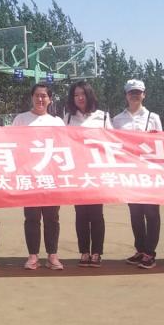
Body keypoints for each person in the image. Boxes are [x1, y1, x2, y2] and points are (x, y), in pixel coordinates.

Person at [12, 84, 66, 270]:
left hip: (51, 177)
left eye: (44, 96)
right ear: (32, 97)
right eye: (37, 95)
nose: (40, 99)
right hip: (29, 177)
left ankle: (52, 255)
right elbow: (12, 145)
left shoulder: (57, 122)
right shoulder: (21, 119)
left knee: (52, 218)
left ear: (50, 99)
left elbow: (64, 148)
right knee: (32, 218)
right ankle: (33, 256)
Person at [112, 79, 164, 269]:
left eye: (138, 92)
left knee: (151, 213)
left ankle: (150, 253)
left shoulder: (153, 117)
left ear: (144, 95)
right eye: (131, 92)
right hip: (129, 172)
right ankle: (140, 249)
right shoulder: (117, 120)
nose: (134, 95)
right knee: (135, 213)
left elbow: (161, 143)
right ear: (126, 95)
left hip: (150, 172)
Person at [63, 81, 113, 268]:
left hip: (97, 171)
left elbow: (112, 142)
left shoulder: (103, 117)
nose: (79, 98)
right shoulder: (68, 118)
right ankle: (84, 251)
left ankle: (97, 252)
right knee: (81, 214)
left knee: (96, 214)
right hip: (77, 172)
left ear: (89, 95)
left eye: (82, 94)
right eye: (76, 95)